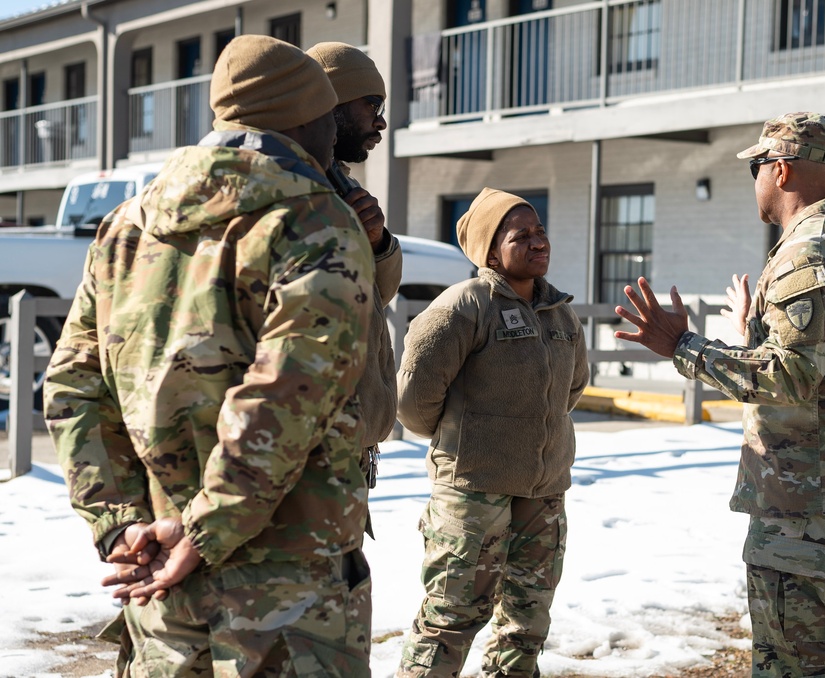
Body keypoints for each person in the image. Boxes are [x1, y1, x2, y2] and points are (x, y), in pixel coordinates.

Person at [43, 34, 375, 676]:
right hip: (287, 595)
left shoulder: (124, 228)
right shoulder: (314, 221)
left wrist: (120, 526)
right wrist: (203, 531)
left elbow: (72, 387)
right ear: (304, 117)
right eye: (327, 114)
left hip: (162, 584)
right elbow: (286, 397)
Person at [614, 112, 825, 677]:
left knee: (792, 667)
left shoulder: (808, 254)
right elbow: (824, 362)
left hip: (809, 506)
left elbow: (790, 378)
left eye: (757, 168)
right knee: (816, 659)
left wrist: (684, 346)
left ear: (783, 168)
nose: (757, 180)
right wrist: (752, 333)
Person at [395, 188, 590, 678]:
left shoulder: (560, 311)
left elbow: (572, 389)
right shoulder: (461, 307)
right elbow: (414, 402)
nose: (538, 241)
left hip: (543, 493)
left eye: (540, 231)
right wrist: (473, 441)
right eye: (520, 235)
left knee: (526, 624)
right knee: (451, 619)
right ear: (489, 250)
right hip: (472, 492)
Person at [307, 42, 402, 532]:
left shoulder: (342, 185)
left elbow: (380, 293)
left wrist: (379, 241)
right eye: (372, 105)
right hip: (308, 451)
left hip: (350, 448)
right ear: (333, 103)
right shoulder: (297, 189)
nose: (380, 122)